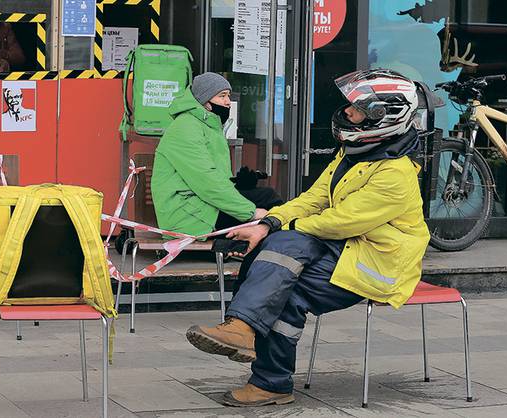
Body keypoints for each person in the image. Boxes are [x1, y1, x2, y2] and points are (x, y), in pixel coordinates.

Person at [184, 69, 431, 406]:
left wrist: (276, 229)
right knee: (277, 260)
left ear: (381, 118)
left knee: (286, 283)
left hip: (378, 266)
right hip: (346, 249)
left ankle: (255, 350)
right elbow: (312, 200)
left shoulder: (394, 173)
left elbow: (339, 222)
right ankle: (249, 341)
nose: (347, 113)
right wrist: (269, 223)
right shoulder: (357, 155)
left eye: (356, 109)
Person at [151, 72, 282, 237]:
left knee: (267, 197)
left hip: (202, 205)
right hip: (189, 215)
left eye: (228, 96)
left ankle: (267, 248)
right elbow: (207, 181)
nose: (228, 102)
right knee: (269, 206)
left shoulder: (207, 125)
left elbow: (214, 179)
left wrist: (239, 185)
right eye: (222, 96)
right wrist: (251, 212)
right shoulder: (185, 127)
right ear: (205, 101)